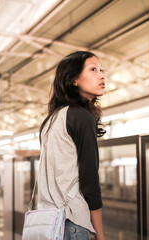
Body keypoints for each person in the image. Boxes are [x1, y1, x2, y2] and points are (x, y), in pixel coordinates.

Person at [37, 51, 105, 240]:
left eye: (101, 70)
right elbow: (89, 180)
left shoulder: (51, 120)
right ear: (73, 79)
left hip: (48, 220)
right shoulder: (82, 117)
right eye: (93, 69)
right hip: (71, 221)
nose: (101, 75)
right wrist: (100, 235)